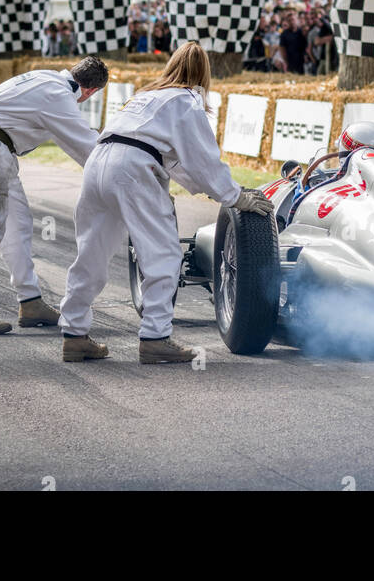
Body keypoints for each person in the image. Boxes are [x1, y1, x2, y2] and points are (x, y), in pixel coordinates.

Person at [58, 41, 273, 364]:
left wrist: (198, 187)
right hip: (132, 168)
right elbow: (202, 160)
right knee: (164, 255)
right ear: (203, 74)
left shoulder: (143, 97)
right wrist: (234, 196)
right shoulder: (188, 101)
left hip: (99, 161)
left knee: (91, 252)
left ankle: (74, 334)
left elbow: (174, 162)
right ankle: (155, 337)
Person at [0, 56, 108, 336]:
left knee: (17, 225)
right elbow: (87, 147)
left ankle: (30, 300)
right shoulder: (58, 96)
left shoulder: (47, 78)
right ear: (91, 91)